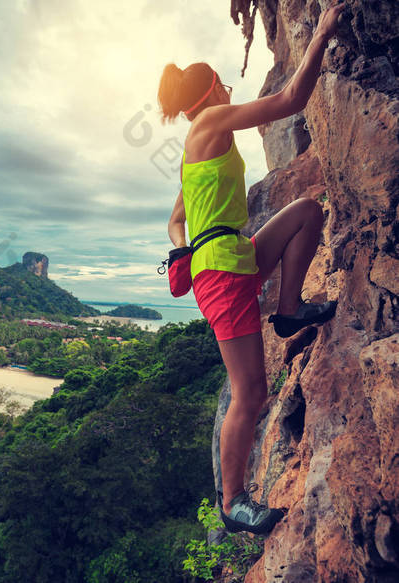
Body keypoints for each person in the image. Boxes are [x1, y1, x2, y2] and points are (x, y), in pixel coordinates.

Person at [158, 2, 345, 534]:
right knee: (251, 393)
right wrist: (323, 31)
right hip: (221, 274)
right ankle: (233, 500)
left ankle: (288, 312)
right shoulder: (211, 120)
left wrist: (181, 248)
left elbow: (174, 219)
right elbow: (291, 99)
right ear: (213, 90)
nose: (226, 94)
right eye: (222, 85)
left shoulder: (195, 150)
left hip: (232, 259)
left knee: (306, 212)